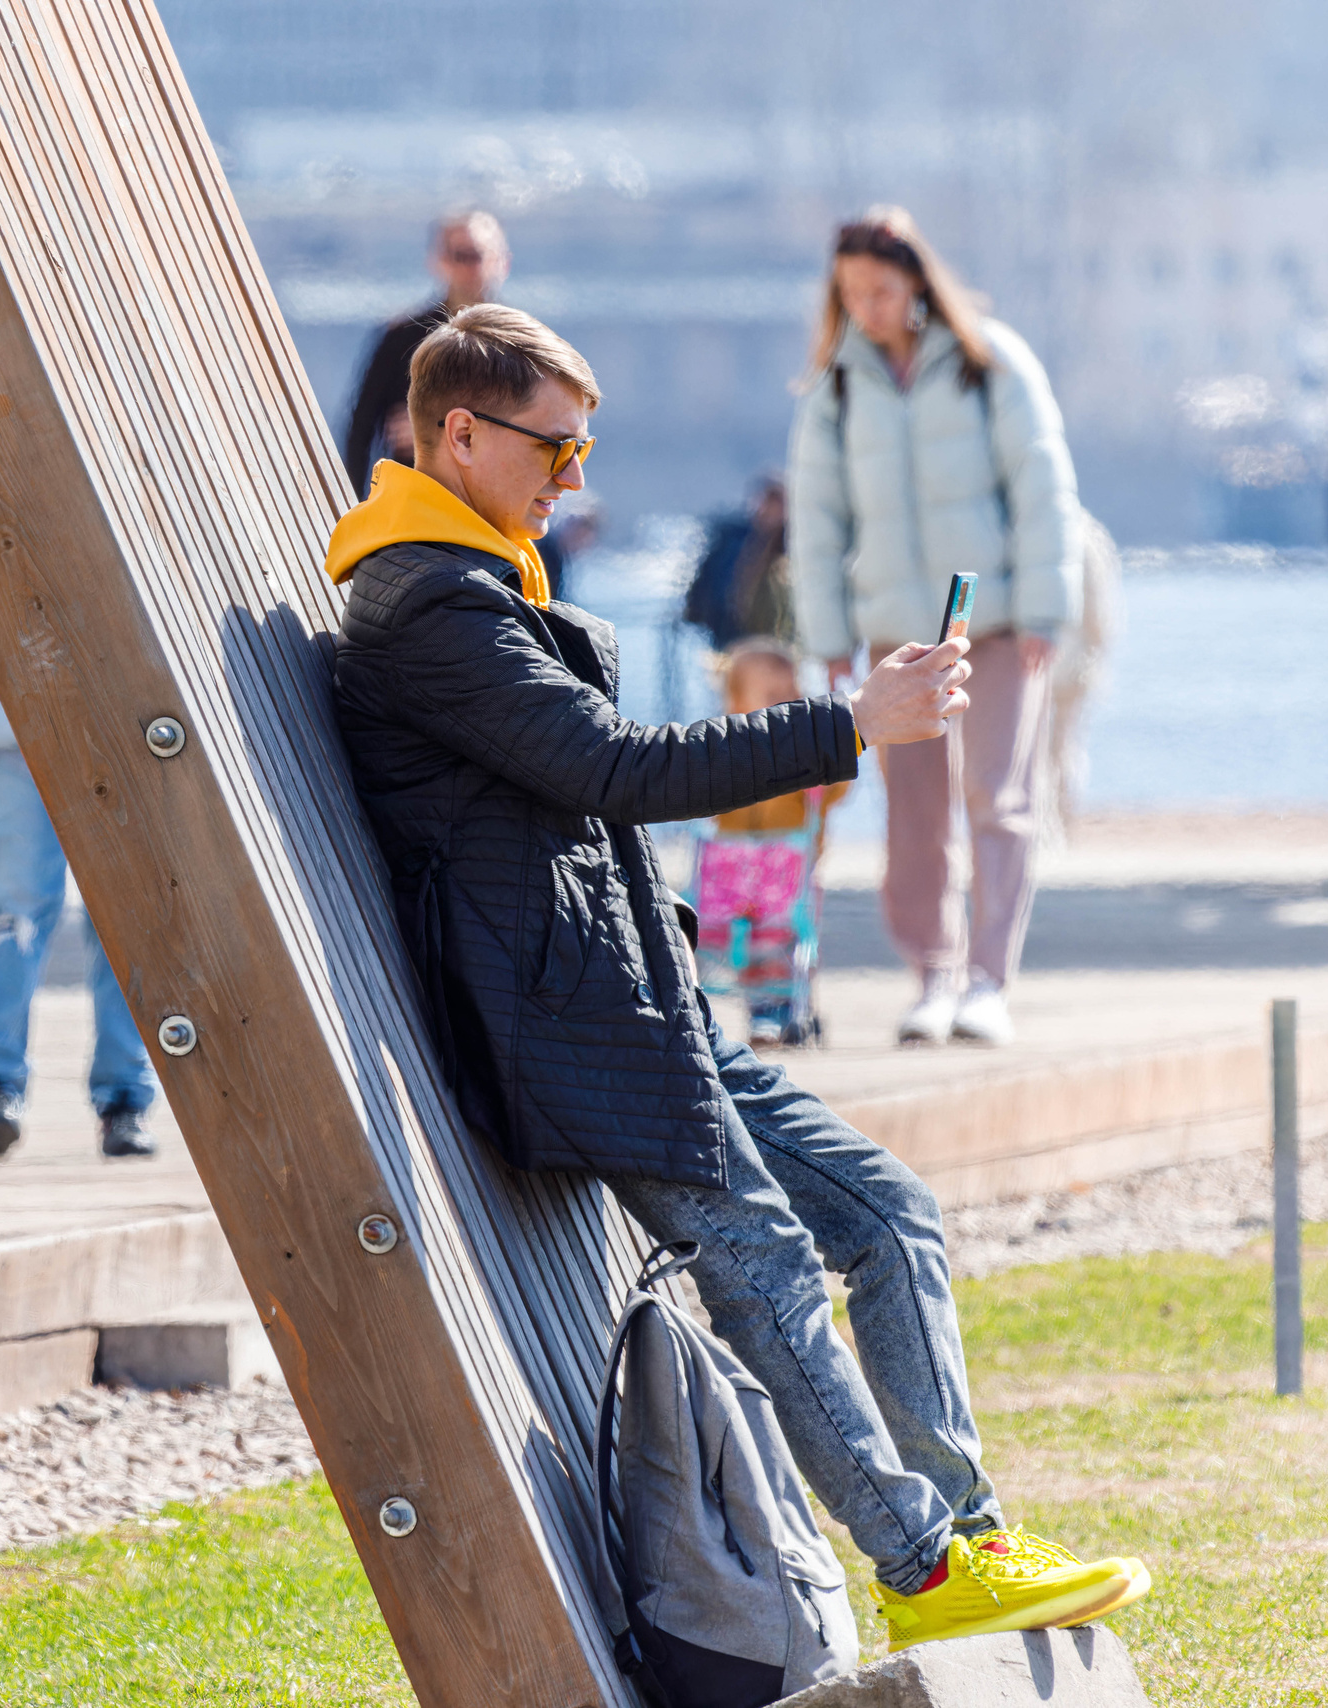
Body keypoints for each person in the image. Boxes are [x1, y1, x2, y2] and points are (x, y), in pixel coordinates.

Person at [327, 303, 1148, 1653]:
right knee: (761, 1262)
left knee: (888, 1212)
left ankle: (972, 1534)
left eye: (586, 453)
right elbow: (617, 771)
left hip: (633, 1005)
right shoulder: (427, 607)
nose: (572, 480)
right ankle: (925, 1572)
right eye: (555, 451)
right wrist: (850, 726)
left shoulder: (477, 580)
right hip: (570, 1028)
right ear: (460, 434)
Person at [787, 207, 1081, 1050]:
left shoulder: (989, 362)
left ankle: (989, 980)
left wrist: (1045, 608)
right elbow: (816, 518)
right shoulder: (834, 390)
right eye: (853, 293)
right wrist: (828, 630)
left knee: (1000, 797)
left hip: (996, 628)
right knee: (914, 815)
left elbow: (1042, 485)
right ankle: (933, 974)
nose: (869, 306)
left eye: (881, 288)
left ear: (916, 279)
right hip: (894, 635)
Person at [0, 508, 159, 1161]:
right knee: (10, 906)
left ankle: (126, 1097)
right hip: (9, 720)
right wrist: (10, 658)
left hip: (115, 714)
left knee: (126, 915)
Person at [696, 638, 850, 1043]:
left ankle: (778, 1007)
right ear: (736, 703)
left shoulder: (802, 755)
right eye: (771, 696)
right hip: (736, 868)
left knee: (784, 938)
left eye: (791, 694)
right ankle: (758, 1006)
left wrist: (828, 764)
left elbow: (834, 789)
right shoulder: (725, 750)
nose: (785, 704)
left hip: (787, 868)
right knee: (740, 936)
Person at [338, 211, 509, 494]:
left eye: (477, 255)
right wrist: (355, 506)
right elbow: (361, 427)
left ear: (502, 262)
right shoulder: (402, 337)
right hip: (417, 497)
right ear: (439, 261)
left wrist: (430, 429)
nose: (470, 267)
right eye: (460, 255)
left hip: (492, 500)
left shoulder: (519, 343)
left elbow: (529, 427)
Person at [684, 477, 792, 651]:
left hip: (766, 641)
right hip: (727, 632)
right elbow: (705, 584)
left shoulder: (789, 547)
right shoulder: (731, 539)